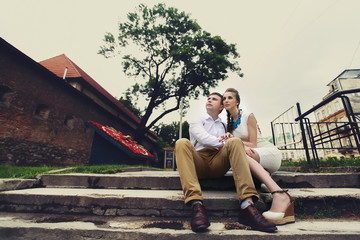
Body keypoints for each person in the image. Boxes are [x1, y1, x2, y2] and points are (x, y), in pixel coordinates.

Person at [175, 92, 277, 233]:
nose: (209, 100)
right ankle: (196, 204)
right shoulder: (197, 120)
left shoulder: (224, 125)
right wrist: (223, 141)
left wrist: (229, 139)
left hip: (218, 163)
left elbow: (232, 143)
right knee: (181, 142)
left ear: (221, 106)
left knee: (235, 141)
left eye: (214, 99)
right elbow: (204, 138)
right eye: (208, 98)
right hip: (198, 161)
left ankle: (247, 205)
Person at [222, 87, 295, 225]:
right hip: (252, 156)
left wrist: (236, 143)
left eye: (230, 97)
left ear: (237, 101)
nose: (226, 100)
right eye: (224, 98)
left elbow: (253, 144)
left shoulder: (248, 116)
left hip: (267, 153)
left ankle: (280, 194)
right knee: (238, 156)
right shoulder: (229, 124)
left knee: (241, 155)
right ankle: (265, 175)